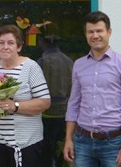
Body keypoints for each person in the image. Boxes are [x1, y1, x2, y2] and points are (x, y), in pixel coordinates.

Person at [63, 11, 121, 167]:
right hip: (83, 142)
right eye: (91, 32)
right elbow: (73, 104)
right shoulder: (79, 65)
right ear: (86, 34)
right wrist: (69, 139)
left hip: (114, 143)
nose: (95, 35)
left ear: (109, 32)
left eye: (99, 31)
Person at [0, 25, 50, 167]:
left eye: (10, 43)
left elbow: (45, 102)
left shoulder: (30, 67)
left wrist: (15, 106)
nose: (5, 47)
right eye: (1, 43)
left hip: (24, 144)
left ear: (19, 47)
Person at [37, 35, 73, 167]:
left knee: (46, 149)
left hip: (46, 113)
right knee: (61, 149)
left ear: (43, 43)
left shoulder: (42, 61)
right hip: (64, 112)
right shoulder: (69, 61)